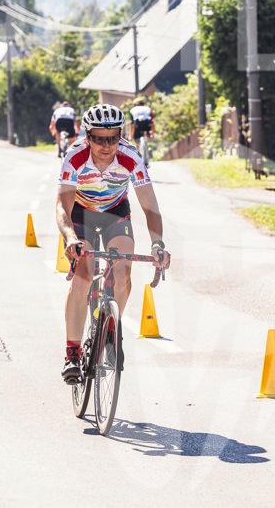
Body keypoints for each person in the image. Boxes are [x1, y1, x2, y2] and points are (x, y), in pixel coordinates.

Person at [56, 103, 171, 384]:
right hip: (81, 214)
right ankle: (72, 354)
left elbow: (150, 206)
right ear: (87, 137)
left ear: (121, 135)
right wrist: (70, 238)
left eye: (113, 138)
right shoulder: (74, 157)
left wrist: (157, 244)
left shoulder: (131, 157)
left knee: (123, 272)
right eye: (99, 139)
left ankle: (110, 330)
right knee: (83, 276)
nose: (106, 146)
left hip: (115, 212)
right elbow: (62, 205)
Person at [128, 98, 154, 167]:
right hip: (147, 124)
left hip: (137, 124)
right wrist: (152, 133)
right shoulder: (148, 108)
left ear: (135, 104)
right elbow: (152, 122)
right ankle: (146, 161)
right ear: (143, 103)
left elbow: (132, 124)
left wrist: (131, 135)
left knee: (137, 143)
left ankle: (138, 159)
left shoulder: (132, 110)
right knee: (145, 140)